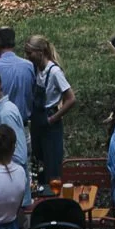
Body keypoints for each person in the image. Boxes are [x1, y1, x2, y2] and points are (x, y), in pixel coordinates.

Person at [26, 35, 74, 182]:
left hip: (50, 121)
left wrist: (54, 118)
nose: (27, 56)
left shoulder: (54, 72)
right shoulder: (36, 70)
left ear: (40, 52)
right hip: (36, 121)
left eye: (30, 53)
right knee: (38, 161)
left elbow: (71, 99)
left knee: (52, 163)